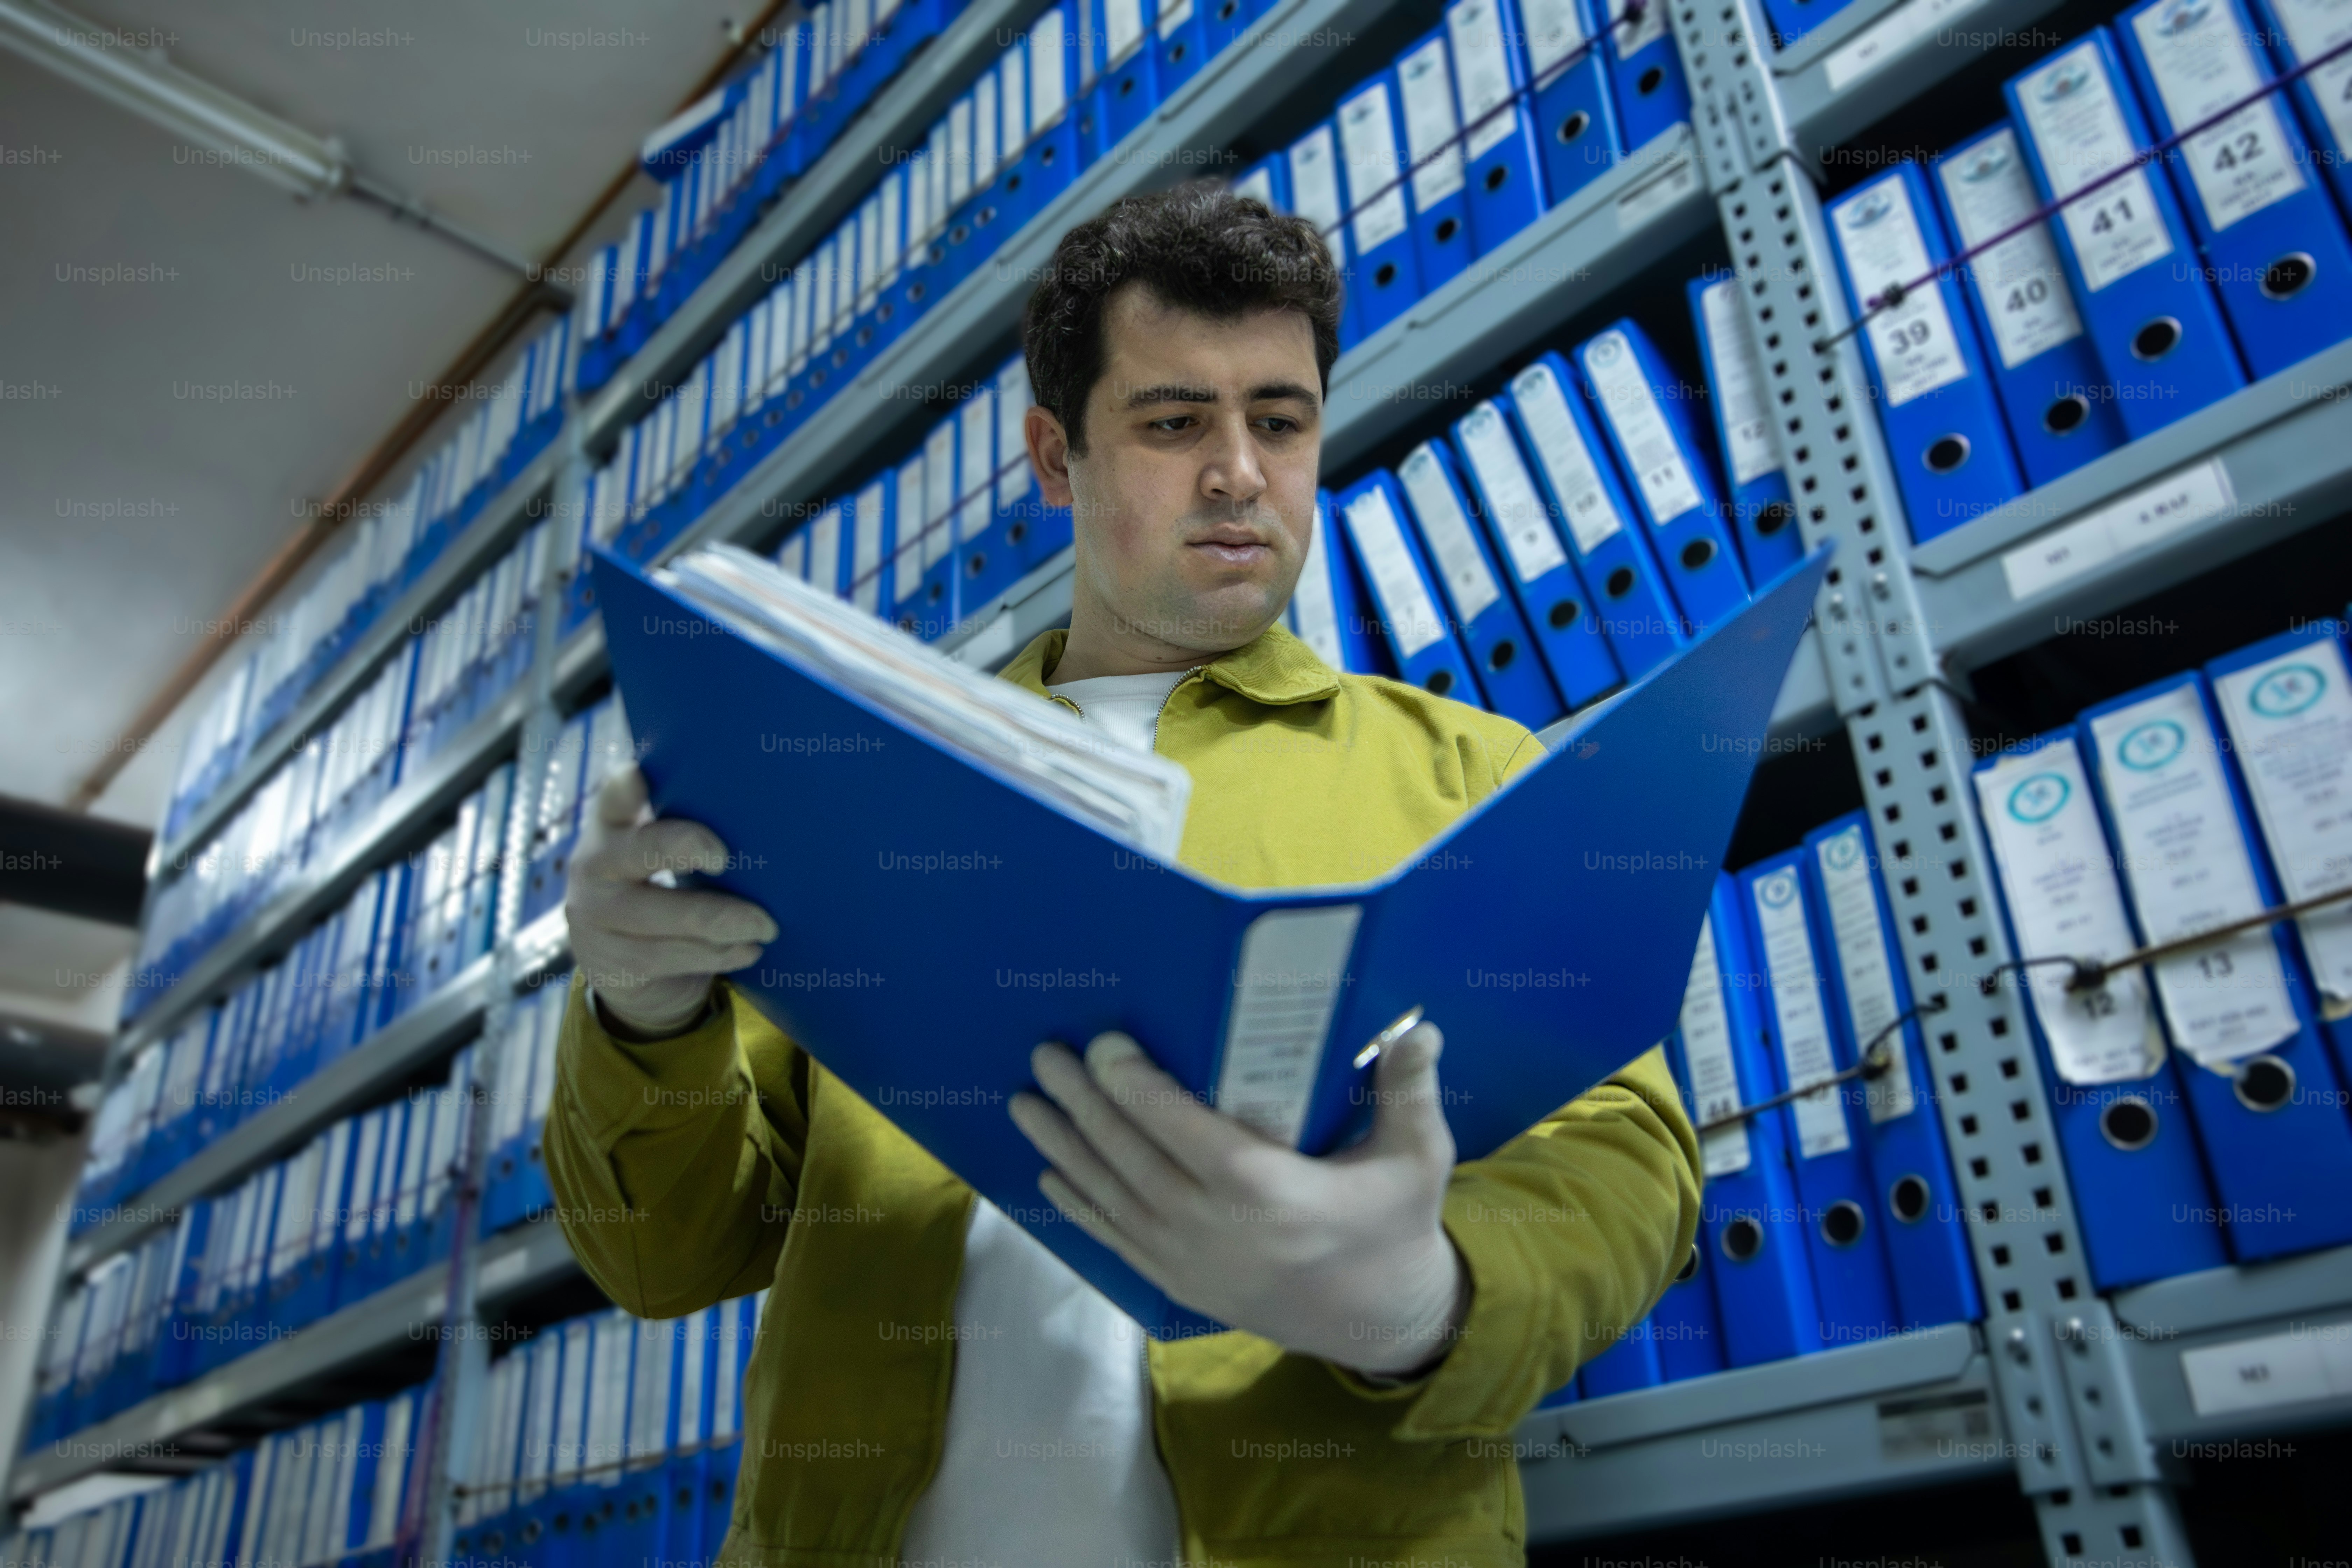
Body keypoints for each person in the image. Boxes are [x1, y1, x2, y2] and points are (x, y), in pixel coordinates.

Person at [544, 180, 1701, 1568]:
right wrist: (639, 1016)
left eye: (1279, 420)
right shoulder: (861, 784)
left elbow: (1628, 1163)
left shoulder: (1465, 772)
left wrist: (1415, 1298)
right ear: (1054, 458)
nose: (1239, 472)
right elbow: (662, 1257)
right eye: (1173, 422)